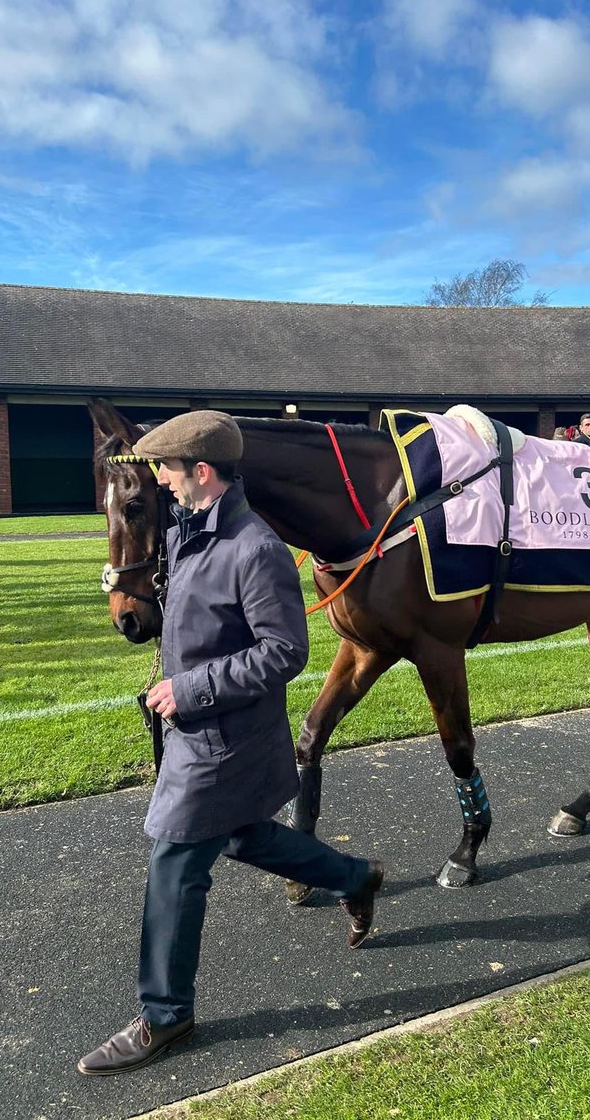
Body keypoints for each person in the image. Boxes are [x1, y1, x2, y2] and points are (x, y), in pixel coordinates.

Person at [78, 410, 383, 1076]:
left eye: (167, 470)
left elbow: (285, 651)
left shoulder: (254, 548)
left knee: (175, 860)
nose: (161, 480)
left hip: (223, 738)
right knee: (248, 836)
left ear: (202, 473)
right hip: (199, 733)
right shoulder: (190, 533)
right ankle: (357, 879)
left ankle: (165, 1015)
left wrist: (189, 690)